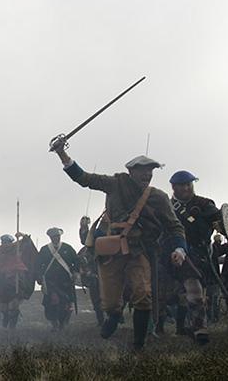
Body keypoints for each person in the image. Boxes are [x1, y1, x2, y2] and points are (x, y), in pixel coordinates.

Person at [51, 142, 188, 350]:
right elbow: (84, 178)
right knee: (110, 302)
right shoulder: (114, 183)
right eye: (142, 171)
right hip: (112, 251)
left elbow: (175, 226)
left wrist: (180, 249)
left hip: (139, 250)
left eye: (150, 171)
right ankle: (114, 316)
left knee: (143, 295)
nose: (147, 175)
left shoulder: (158, 197)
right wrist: (62, 153)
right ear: (131, 171)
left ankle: (138, 345)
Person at [163, 170, 218, 344]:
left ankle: (183, 327)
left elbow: (219, 220)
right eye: (183, 185)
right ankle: (200, 328)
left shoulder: (204, 204)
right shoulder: (166, 207)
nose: (187, 188)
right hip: (178, 254)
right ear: (174, 187)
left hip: (203, 255)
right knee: (193, 289)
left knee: (193, 293)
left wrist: (222, 226)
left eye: (189, 184)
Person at [0, 234, 34, 328]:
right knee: (3, 307)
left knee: (13, 305)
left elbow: (26, 240)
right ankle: (5, 322)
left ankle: (12, 327)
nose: (5, 244)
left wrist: (22, 235)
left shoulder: (16, 249)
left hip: (14, 282)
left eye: (7, 242)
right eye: (4, 242)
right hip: (1, 282)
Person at [36, 227, 79, 330]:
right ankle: (54, 323)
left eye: (58, 236)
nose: (56, 238)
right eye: (54, 237)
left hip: (65, 281)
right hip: (50, 281)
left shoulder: (68, 248)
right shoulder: (45, 250)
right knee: (50, 304)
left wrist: (75, 273)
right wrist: (40, 277)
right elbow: (38, 265)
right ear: (50, 238)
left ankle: (62, 323)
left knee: (66, 303)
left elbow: (76, 261)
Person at [77, 215, 104, 326]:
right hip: (93, 279)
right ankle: (101, 320)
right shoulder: (83, 252)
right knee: (96, 300)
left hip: (107, 275)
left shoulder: (103, 246)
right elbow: (80, 264)